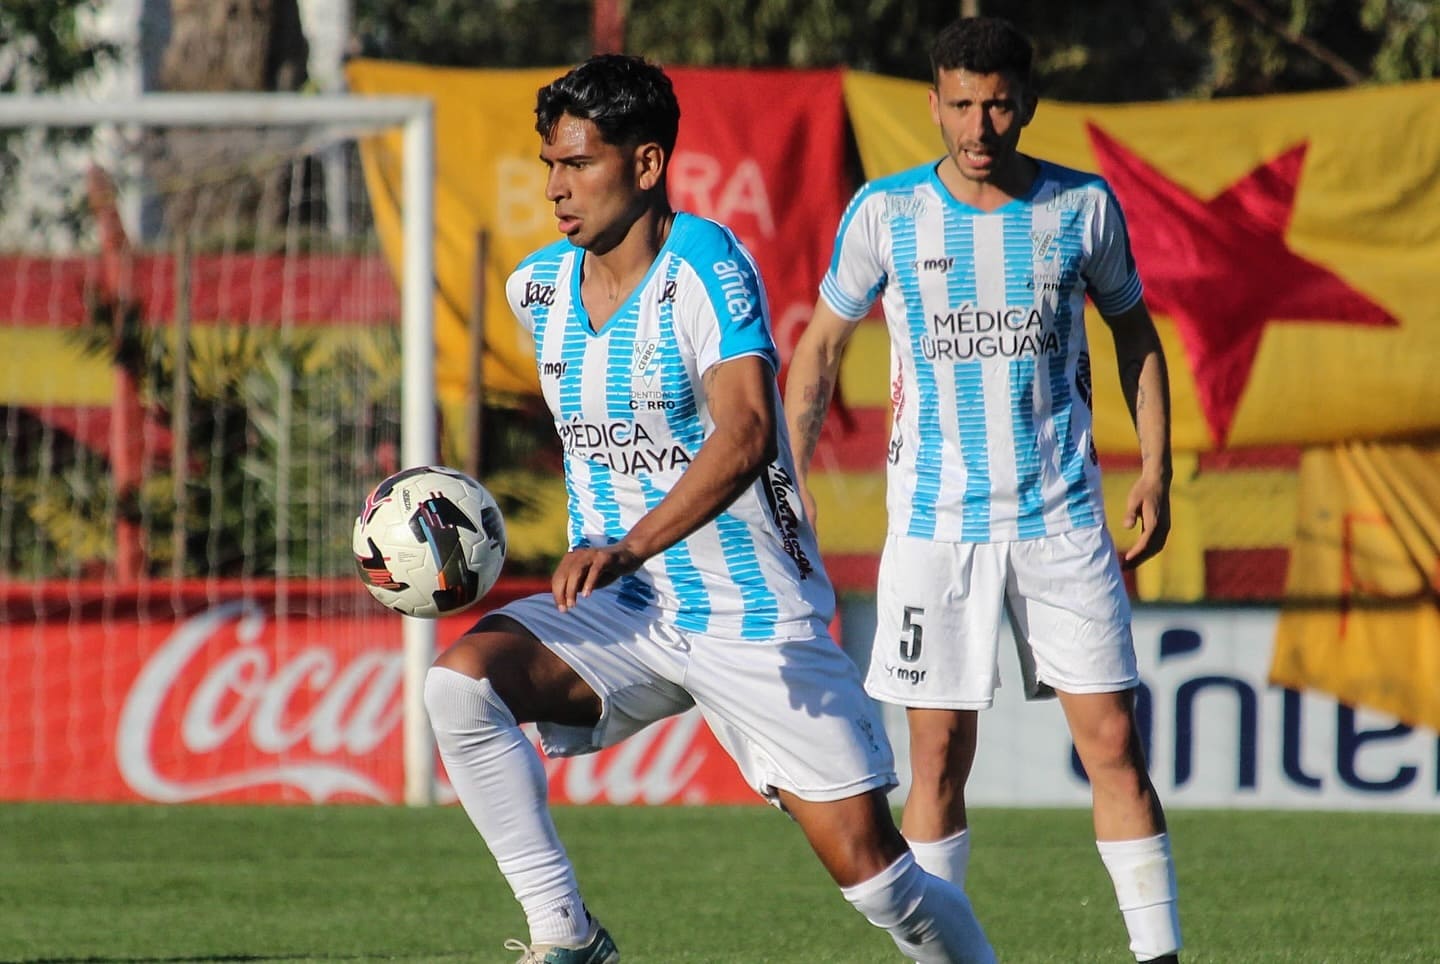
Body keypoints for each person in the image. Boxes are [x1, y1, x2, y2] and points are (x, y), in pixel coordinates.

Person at [424, 53, 996, 964]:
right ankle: (564, 935)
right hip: (625, 610)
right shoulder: (535, 289)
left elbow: (747, 434)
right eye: (549, 166)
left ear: (646, 166)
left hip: (752, 615)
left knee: (879, 877)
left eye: (579, 165)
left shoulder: (705, 267)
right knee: (459, 686)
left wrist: (629, 543)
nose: (556, 188)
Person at [783, 16, 1182, 964]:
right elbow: (820, 354)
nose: (979, 122)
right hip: (934, 526)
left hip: (1062, 519)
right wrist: (785, 487)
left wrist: (1157, 468)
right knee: (936, 759)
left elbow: (1137, 334)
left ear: (1027, 103)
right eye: (961, 103)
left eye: (998, 101)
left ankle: (1160, 956)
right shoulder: (886, 214)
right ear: (933, 105)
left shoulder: (1082, 208)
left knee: (1114, 743)